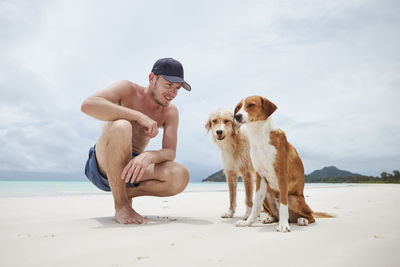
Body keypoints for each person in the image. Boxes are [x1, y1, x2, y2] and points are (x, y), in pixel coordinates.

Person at [81, 58, 191, 224]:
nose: (173, 92)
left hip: (132, 169)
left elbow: (170, 152)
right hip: (101, 164)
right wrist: (139, 116)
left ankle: (124, 193)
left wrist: (149, 156)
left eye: (177, 88)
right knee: (122, 127)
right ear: (151, 78)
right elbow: (88, 105)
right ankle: (122, 206)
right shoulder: (127, 89)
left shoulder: (170, 112)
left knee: (180, 175)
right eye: (168, 84)